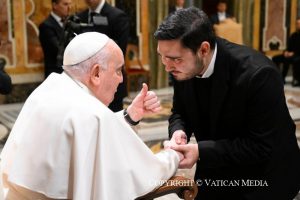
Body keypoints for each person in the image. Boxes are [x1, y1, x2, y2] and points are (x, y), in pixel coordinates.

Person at [0, 32, 181, 199]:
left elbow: (85, 132)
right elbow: (141, 173)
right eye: (118, 70)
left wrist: (129, 115)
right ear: (96, 73)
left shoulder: (50, 88)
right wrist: (173, 155)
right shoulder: (93, 115)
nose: (121, 79)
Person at [155, 7, 300, 199]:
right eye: (161, 57)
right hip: (217, 166)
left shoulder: (258, 74)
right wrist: (178, 132)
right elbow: (180, 111)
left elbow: (262, 146)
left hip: (264, 175)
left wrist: (200, 152)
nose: (167, 66)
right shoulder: (183, 67)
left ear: (203, 49)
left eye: (174, 59)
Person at [77, 0, 130, 112]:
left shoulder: (117, 16)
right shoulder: (80, 17)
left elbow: (120, 51)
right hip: (85, 80)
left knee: (112, 120)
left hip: (109, 79)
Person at [39, 0, 72, 78]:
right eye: (65, 4)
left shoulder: (70, 22)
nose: (69, 7)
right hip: (55, 74)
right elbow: (58, 49)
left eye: (70, 4)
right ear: (55, 5)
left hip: (69, 73)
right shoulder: (46, 26)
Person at [272, 18, 300, 85]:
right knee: (275, 58)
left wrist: (294, 53)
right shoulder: (293, 35)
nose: (298, 25)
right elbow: (289, 47)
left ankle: (296, 80)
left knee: (289, 60)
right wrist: (286, 52)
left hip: (298, 55)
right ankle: (278, 77)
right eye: (297, 24)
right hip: (290, 54)